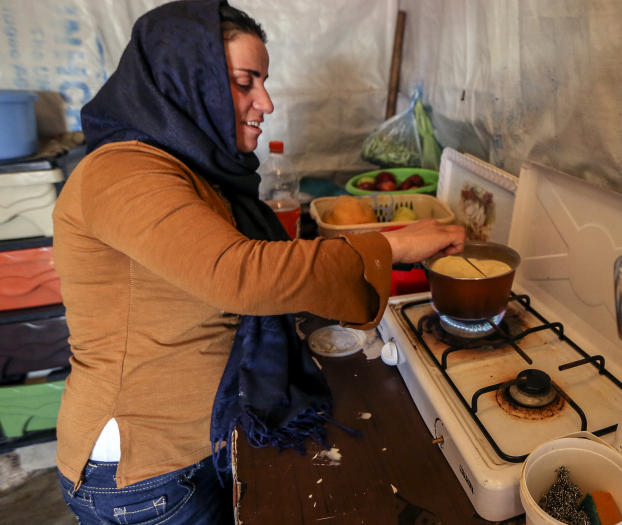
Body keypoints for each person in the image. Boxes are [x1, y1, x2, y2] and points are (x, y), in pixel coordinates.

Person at [52, 1, 464, 523]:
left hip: (190, 448)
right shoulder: (123, 172)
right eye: (245, 82)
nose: (265, 102)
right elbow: (240, 273)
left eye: (263, 82)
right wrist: (393, 246)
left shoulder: (187, 171)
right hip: (146, 469)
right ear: (186, 80)